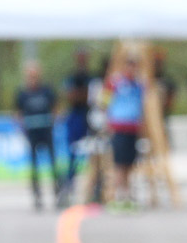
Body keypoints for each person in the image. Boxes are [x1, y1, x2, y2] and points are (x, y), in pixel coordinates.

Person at [14, 62, 58, 210]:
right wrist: (22, 128)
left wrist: (53, 121)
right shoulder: (23, 93)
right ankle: (37, 194)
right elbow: (18, 112)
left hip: (46, 130)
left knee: (52, 163)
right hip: (32, 132)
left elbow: (55, 108)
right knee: (34, 165)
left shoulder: (46, 91)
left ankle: (57, 191)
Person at [103, 52, 145, 205]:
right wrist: (107, 122)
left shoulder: (139, 85)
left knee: (129, 163)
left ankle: (127, 193)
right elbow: (104, 102)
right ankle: (119, 195)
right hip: (119, 127)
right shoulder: (115, 83)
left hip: (133, 128)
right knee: (119, 163)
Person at [60, 50, 93, 195]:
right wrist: (84, 95)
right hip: (75, 116)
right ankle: (70, 183)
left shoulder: (91, 77)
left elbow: (92, 96)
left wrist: (83, 95)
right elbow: (71, 96)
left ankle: (93, 185)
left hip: (89, 116)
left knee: (94, 152)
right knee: (73, 151)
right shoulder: (72, 77)